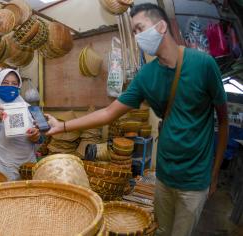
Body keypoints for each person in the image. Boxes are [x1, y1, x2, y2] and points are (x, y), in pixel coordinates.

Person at [45, 3, 228, 236]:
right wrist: (62, 125)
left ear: (161, 27)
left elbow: (222, 122)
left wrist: (214, 174)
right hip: (164, 175)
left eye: (139, 28)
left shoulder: (203, 65)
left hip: (195, 180)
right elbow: (109, 112)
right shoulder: (146, 75)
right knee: (161, 230)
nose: (137, 37)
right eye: (133, 31)